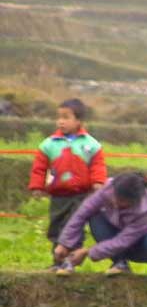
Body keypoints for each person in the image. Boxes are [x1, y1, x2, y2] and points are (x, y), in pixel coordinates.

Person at [53, 172, 147, 286]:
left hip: (146, 245)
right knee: (95, 215)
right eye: (115, 197)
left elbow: (123, 241)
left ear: (135, 201)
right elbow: (83, 212)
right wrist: (65, 244)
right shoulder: (109, 187)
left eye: (122, 201)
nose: (115, 203)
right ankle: (120, 262)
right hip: (123, 236)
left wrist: (87, 252)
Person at [27, 98, 107, 272]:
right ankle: (57, 262)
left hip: (81, 195)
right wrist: (37, 186)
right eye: (59, 117)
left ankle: (70, 262)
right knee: (56, 226)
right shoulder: (49, 144)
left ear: (78, 120)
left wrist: (98, 182)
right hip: (58, 195)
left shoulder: (90, 144)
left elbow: (97, 165)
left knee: (73, 226)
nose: (61, 121)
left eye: (66, 117)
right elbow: (39, 167)